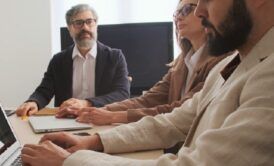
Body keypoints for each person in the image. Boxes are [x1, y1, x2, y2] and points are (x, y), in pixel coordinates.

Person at [22, 0, 274, 165]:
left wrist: (70, 161)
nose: (199, 11)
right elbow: (172, 121)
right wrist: (94, 141)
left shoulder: (267, 76)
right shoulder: (229, 66)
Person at [55, 0, 229, 125]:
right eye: (176, 13)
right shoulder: (181, 64)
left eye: (186, 10)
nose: (178, 18)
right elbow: (147, 100)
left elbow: (179, 111)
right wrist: (101, 111)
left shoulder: (221, 62)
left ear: (204, 11)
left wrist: (113, 116)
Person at [16, 4, 130, 116]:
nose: (85, 27)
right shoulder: (58, 60)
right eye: (78, 23)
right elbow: (44, 91)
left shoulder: (115, 57)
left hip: (101, 119)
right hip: (65, 121)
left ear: (96, 25)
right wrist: (34, 102)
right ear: (70, 29)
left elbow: (122, 94)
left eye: (89, 21)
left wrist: (86, 103)